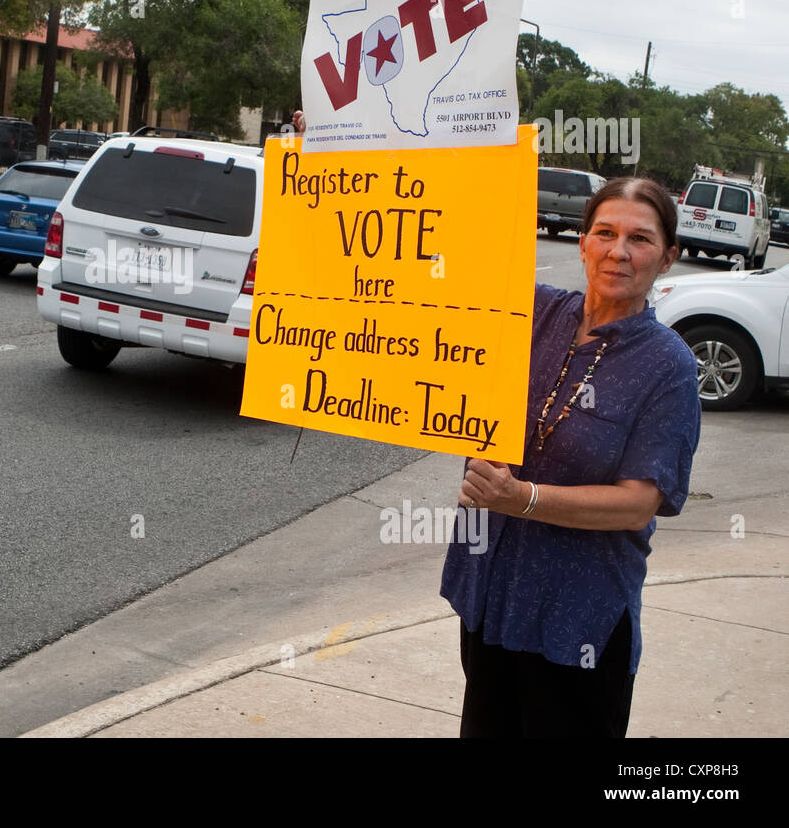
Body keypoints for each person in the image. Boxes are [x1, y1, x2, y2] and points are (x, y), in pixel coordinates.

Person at [291, 111, 701, 737]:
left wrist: (521, 498)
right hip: (494, 596)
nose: (619, 251)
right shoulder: (533, 311)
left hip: (578, 619)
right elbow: (428, 257)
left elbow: (638, 503)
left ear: (668, 257)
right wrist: (340, 157)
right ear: (582, 240)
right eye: (605, 232)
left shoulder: (667, 367)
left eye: (640, 239)